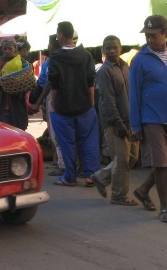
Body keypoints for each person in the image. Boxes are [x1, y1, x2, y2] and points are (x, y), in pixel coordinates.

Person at [129, 15, 167, 223]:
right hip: (152, 119)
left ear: (165, 33)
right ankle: (164, 208)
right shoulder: (140, 59)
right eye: (147, 36)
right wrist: (135, 124)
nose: (150, 39)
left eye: (154, 35)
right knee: (160, 164)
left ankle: (142, 190)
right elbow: (134, 93)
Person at [89, 35, 139, 206]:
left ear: (120, 48)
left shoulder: (125, 67)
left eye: (114, 47)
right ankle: (118, 195)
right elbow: (107, 100)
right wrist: (117, 122)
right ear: (103, 50)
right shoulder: (104, 71)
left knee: (131, 157)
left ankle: (100, 177)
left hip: (130, 121)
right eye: (108, 48)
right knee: (122, 160)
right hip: (114, 123)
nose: (111, 51)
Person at [48, 21, 99, 187]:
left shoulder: (56, 58)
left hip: (63, 107)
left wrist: (54, 105)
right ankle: (91, 175)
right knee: (89, 141)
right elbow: (91, 81)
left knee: (67, 143)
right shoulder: (85, 55)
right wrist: (91, 102)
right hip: (85, 106)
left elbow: (54, 84)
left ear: (61, 35)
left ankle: (70, 176)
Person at [31, 34, 65, 177]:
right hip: (57, 98)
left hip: (54, 97)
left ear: (52, 45)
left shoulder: (54, 61)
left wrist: (39, 101)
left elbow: (49, 83)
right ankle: (58, 161)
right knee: (54, 131)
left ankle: (61, 165)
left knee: (56, 132)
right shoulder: (59, 59)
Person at [0, 37, 28, 131]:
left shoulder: (22, 62)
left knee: (18, 131)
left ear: (15, 48)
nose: (7, 51)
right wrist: (1, 81)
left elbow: (28, 82)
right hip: (3, 104)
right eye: (5, 49)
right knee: (4, 132)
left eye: (10, 48)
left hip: (17, 104)